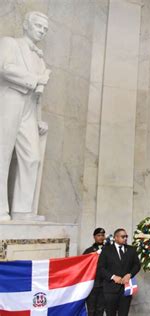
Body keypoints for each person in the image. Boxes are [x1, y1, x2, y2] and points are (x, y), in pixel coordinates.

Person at [0, 11, 51, 221]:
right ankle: (1, 209)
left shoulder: (40, 58)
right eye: (38, 26)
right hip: (10, 101)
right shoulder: (10, 43)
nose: (41, 32)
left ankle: (22, 210)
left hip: (29, 108)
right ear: (26, 25)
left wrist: (38, 118)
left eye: (45, 29)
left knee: (32, 157)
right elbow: (5, 68)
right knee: (2, 155)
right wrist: (36, 78)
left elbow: (37, 95)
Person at [98, 228, 140, 316]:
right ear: (116, 238)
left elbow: (137, 265)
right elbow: (101, 268)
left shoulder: (131, 249)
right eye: (123, 236)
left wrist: (130, 274)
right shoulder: (106, 250)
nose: (125, 238)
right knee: (110, 313)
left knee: (124, 313)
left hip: (126, 287)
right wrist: (113, 277)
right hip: (110, 289)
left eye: (126, 236)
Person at [83, 228, 107, 315]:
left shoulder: (109, 249)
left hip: (104, 284)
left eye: (103, 235)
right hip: (92, 285)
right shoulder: (88, 251)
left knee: (100, 309)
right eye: (98, 235)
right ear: (94, 237)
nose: (101, 237)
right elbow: (83, 266)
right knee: (91, 309)